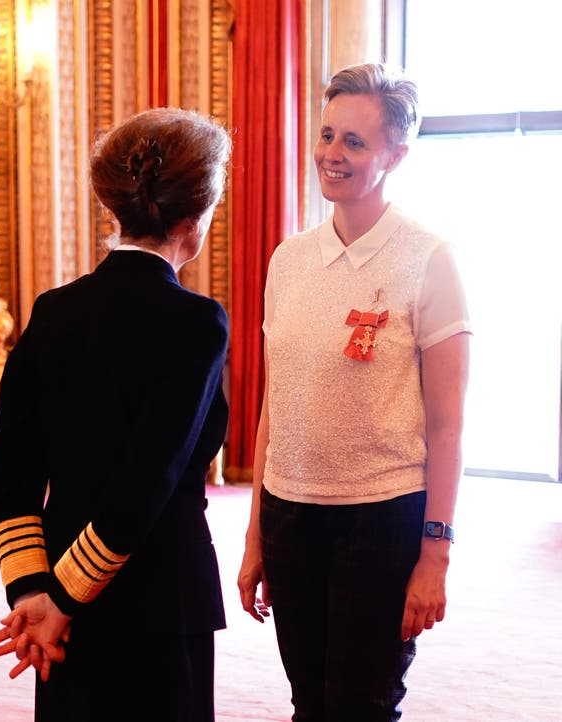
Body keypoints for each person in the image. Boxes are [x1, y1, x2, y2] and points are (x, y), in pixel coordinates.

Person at [237, 62, 471, 722]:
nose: (331, 155)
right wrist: (256, 535)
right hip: (290, 513)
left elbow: (450, 428)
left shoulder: (430, 260)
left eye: (354, 143)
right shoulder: (288, 260)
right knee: (309, 704)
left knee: (361, 709)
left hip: (382, 518)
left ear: (397, 153)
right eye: (327, 135)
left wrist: (435, 555)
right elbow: (273, 406)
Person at [0, 107, 232, 722]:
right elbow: (146, 483)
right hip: (161, 600)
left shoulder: (52, 311)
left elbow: (9, 475)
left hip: (58, 600)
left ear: (112, 207)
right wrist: (62, 602)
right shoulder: (197, 323)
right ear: (194, 219)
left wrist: (35, 593)